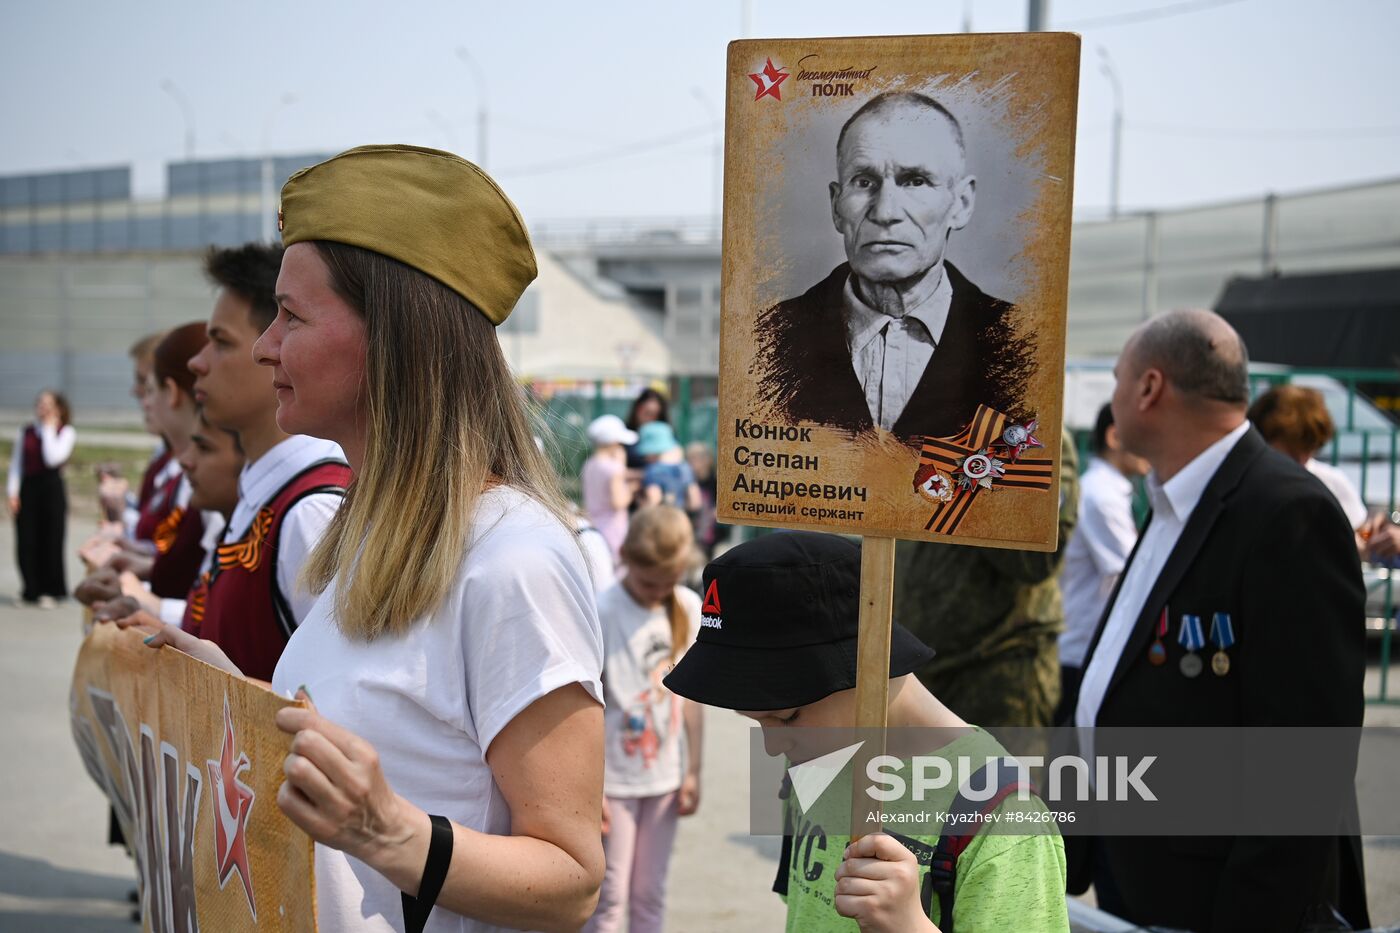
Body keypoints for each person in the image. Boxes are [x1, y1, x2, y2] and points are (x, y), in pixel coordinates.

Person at [124, 145, 606, 932]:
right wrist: (233, 693)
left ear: (394, 336)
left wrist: (392, 832)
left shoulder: (513, 558)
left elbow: (572, 877)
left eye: (292, 315)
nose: (263, 345)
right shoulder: (370, 536)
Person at [1067, 309, 1368, 932]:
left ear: (1150, 388)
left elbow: (1304, 766)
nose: (1114, 398)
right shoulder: (1179, 496)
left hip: (1219, 900)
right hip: (1141, 872)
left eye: (1120, 378)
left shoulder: (1286, 513)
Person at [662, 532, 1069, 933]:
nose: (772, 747)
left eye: (786, 718)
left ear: (866, 663)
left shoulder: (1002, 820)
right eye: (755, 722)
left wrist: (910, 927)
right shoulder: (816, 759)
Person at [755, 91, 1034, 443]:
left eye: (915, 181)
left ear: (960, 204)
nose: (885, 211)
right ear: (837, 206)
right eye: (864, 182)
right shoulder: (771, 339)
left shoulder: (1018, 343)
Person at [180, 243, 350, 678]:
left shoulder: (312, 510)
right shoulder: (270, 490)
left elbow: (341, 708)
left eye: (220, 342)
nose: (197, 363)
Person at [892, 430, 1079, 728]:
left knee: (1001, 776)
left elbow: (1035, 561)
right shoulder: (923, 428)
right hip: (919, 675)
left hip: (997, 674)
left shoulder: (1036, 435)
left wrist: (976, 464)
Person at [586, 506, 703, 933]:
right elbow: (587, 705)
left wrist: (693, 769)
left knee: (650, 894)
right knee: (609, 896)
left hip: (665, 778)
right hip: (613, 781)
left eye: (666, 583)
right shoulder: (602, 610)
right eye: (648, 582)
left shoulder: (688, 607)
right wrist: (589, 786)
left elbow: (692, 700)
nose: (657, 592)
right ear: (626, 558)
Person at [1056, 404, 1148, 719]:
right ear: (1114, 436)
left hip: (1083, 648)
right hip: (1080, 651)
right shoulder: (1102, 496)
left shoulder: (1109, 491)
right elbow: (1137, 574)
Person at [1248, 383, 1400, 562]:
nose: (1300, 461)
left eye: (1308, 449)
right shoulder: (1246, 483)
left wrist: (1375, 539)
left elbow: (1361, 538)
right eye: (1290, 451)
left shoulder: (1331, 481)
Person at [8, 389, 75, 607]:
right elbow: (17, 464)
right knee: (26, 540)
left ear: (58, 409)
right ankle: (31, 589)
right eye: (40, 403)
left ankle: (51, 589)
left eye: (48, 404)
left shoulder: (65, 432)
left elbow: (52, 458)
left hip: (51, 489)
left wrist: (48, 430)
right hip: (29, 488)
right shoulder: (26, 431)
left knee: (51, 539)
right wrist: (12, 492)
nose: (42, 408)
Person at [581, 414, 637, 561]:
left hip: (594, 524)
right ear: (612, 442)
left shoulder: (590, 464)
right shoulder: (615, 468)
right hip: (613, 529)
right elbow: (618, 502)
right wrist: (631, 489)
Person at [636, 422, 701, 513]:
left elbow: (653, 499)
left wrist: (642, 508)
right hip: (681, 519)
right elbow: (695, 502)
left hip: (660, 520)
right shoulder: (685, 468)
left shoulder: (653, 471)